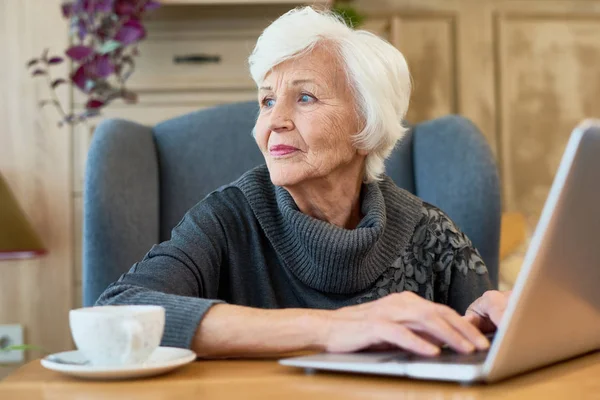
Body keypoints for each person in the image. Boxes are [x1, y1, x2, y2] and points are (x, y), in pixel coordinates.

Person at [97, 6, 510, 358]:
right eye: (267, 100)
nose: (273, 121)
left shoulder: (432, 234)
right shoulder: (226, 220)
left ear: (367, 123)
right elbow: (117, 312)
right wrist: (331, 329)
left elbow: (482, 356)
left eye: (305, 97)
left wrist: (504, 324)